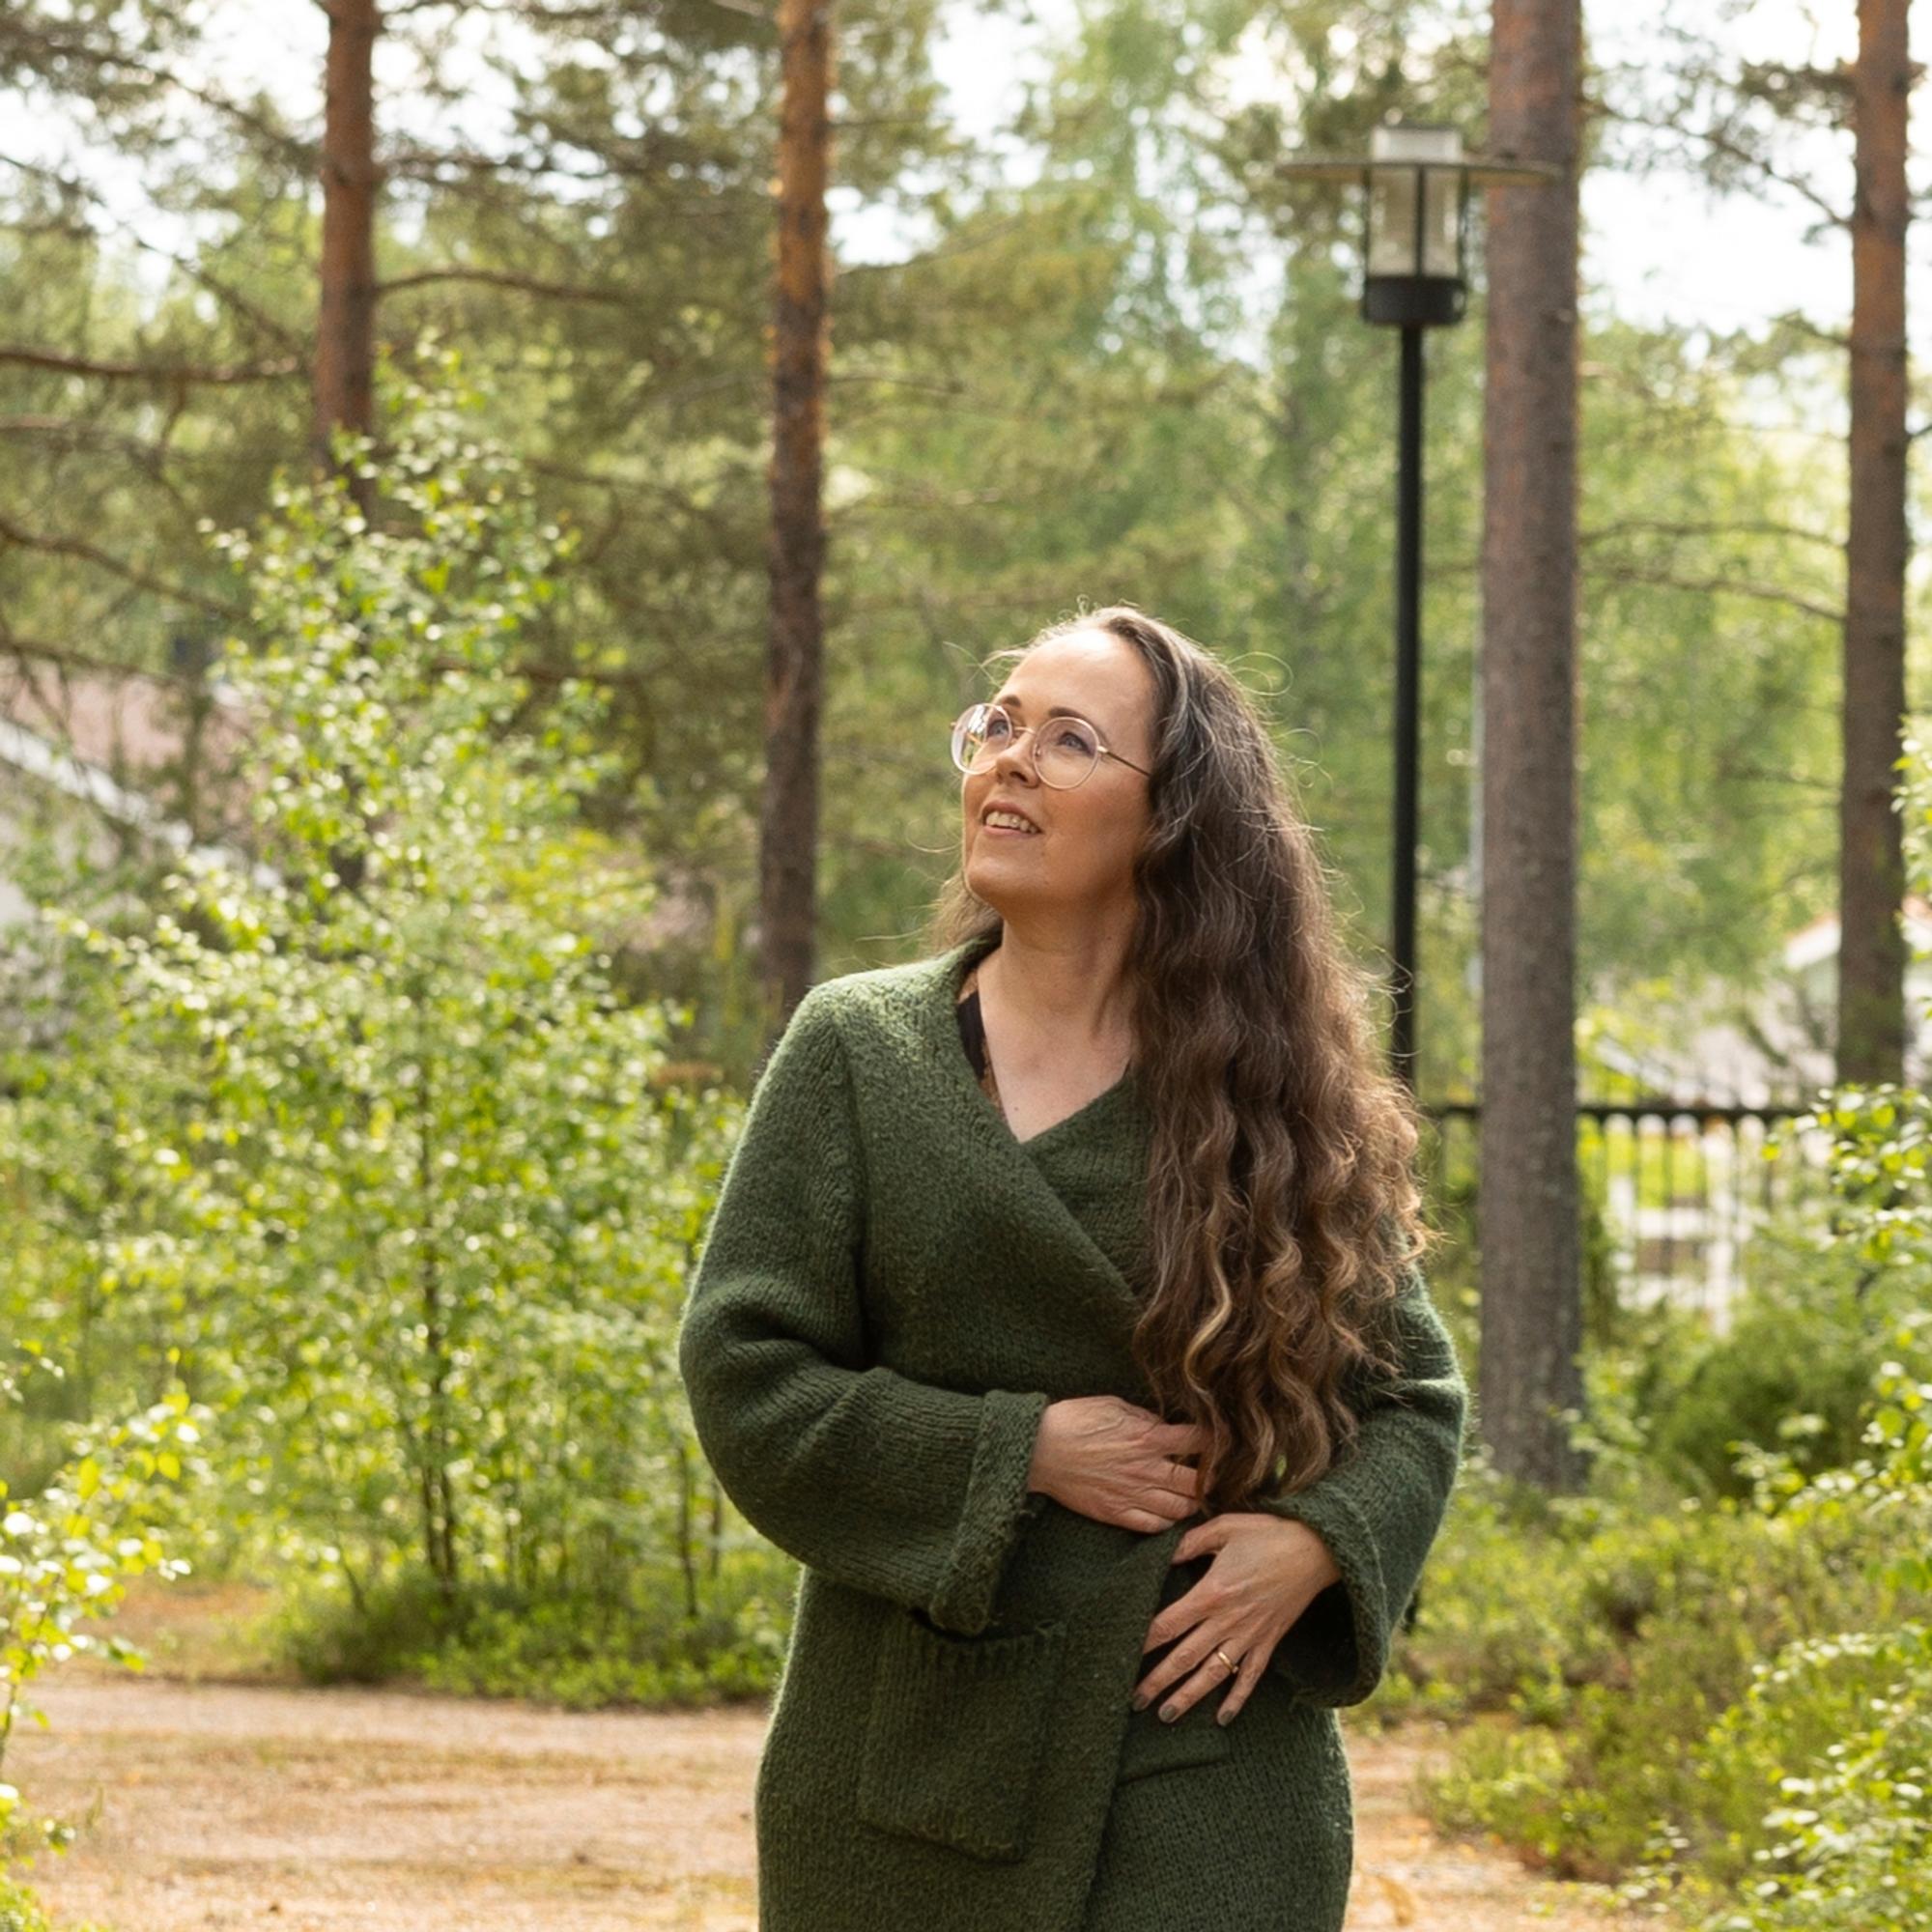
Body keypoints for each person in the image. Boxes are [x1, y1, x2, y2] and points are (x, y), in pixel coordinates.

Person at [676, 603, 1471, 1932]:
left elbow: (1413, 1401)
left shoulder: (1279, 1098)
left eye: (1069, 739)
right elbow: (745, 1373)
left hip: (1211, 1755)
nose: (1009, 758)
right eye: (997, 725)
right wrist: (1021, 1453)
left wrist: (1316, 1546)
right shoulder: (858, 1051)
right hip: (900, 1764)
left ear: (1175, 818)